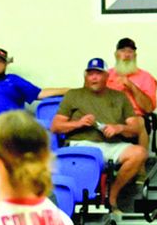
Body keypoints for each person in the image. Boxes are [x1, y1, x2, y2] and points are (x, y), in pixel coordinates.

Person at [50, 57, 145, 214]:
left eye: (98, 74)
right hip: (81, 146)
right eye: (90, 74)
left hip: (111, 145)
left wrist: (118, 128)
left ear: (107, 76)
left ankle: (111, 196)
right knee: (84, 158)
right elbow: (55, 126)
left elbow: (135, 128)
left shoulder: (120, 97)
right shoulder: (74, 95)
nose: (94, 77)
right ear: (85, 76)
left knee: (139, 153)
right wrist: (79, 123)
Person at [0, 49, 66, 122]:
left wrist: (69, 90)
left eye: (2, 62)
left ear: (6, 65)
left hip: (10, 127)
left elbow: (40, 94)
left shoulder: (13, 80)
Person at [105, 37, 157, 149]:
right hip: (109, 116)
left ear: (135, 55)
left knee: (138, 122)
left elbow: (148, 108)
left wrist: (131, 86)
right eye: (123, 51)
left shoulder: (146, 77)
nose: (127, 55)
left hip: (136, 118)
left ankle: (140, 161)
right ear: (116, 54)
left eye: (130, 51)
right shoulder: (106, 76)